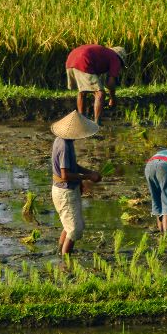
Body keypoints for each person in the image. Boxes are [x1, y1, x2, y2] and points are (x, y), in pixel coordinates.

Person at [50, 110, 102, 256]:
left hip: (64, 190)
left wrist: (90, 173)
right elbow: (65, 175)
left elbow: (73, 167)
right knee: (74, 229)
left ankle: (60, 252)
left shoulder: (63, 140)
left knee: (68, 226)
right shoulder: (65, 146)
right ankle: (65, 262)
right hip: (64, 191)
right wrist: (86, 177)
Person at [65, 44, 127, 124]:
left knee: (82, 92)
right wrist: (113, 98)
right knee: (100, 93)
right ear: (121, 59)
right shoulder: (115, 58)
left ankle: (81, 121)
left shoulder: (104, 54)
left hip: (71, 59)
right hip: (83, 60)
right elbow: (110, 83)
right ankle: (97, 124)